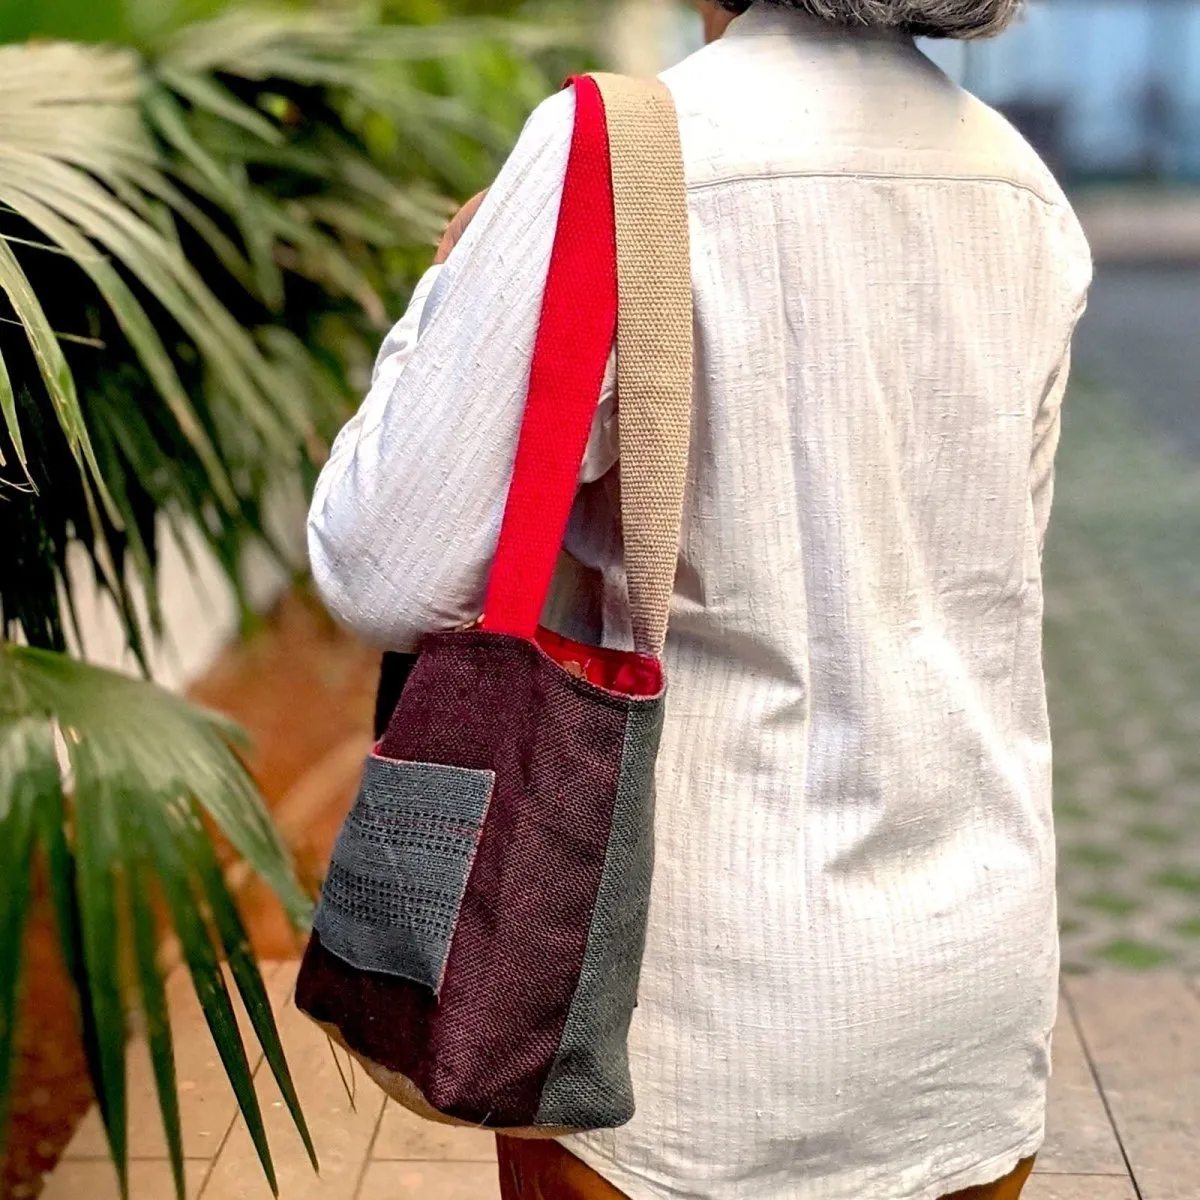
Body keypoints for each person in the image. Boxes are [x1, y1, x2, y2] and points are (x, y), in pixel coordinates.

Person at [307, 0, 1092, 1197]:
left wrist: (449, 287)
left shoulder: (618, 153)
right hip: (967, 999)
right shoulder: (1021, 186)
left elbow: (381, 567)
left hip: (674, 1011)